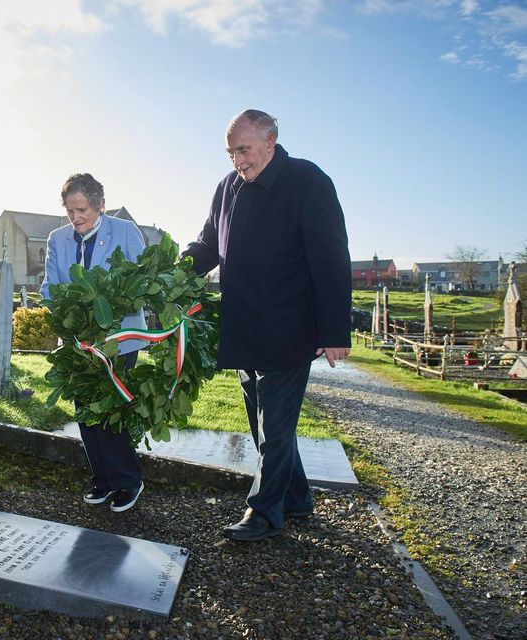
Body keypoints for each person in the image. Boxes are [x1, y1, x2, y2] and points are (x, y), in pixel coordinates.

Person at [182, 109, 352, 542]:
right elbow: (206, 244)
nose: (237, 160)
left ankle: (264, 511)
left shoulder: (308, 181)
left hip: (289, 327)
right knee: (264, 425)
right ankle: (296, 496)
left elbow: (332, 259)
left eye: (244, 149)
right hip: (243, 324)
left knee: (274, 427)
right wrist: (173, 272)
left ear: (271, 140)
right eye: (231, 153)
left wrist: (334, 332)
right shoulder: (226, 188)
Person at [40, 173, 147, 513]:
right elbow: (49, 286)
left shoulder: (126, 232)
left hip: (119, 341)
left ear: (100, 204)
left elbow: (141, 282)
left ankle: (128, 481)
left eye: (82, 209)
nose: (76, 218)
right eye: (70, 211)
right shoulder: (57, 239)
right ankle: (102, 478)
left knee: (110, 409)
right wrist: (66, 311)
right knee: (85, 413)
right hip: (77, 343)